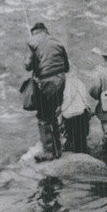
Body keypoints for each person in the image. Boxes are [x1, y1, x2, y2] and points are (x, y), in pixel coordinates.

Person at [25, 21, 71, 161]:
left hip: (46, 82)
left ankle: (49, 152)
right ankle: (58, 149)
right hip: (61, 80)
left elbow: (28, 66)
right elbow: (67, 67)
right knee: (52, 113)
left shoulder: (32, 42)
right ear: (45, 31)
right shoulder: (57, 41)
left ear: (34, 32)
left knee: (43, 117)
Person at [61, 72, 94, 155]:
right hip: (80, 112)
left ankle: (72, 151)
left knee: (70, 135)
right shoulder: (79, 82)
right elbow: (84, 98)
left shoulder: (60, 83)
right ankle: (83, 153)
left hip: (67, 114)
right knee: (81, 136)